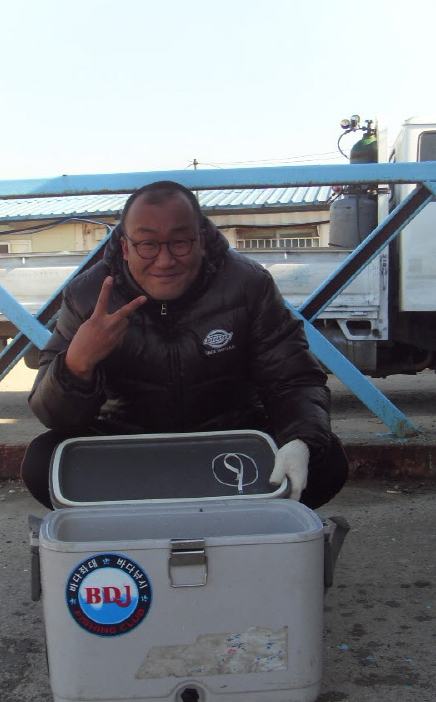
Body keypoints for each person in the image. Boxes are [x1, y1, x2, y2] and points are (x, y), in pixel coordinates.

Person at [21, 180, 348, 510]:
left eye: (179, 242)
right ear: (125, 247)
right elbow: (55, 417)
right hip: (126, 446)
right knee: (41, 463)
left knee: (325, 459)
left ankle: (234, 524)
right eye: (147, 244)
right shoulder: (87, 295)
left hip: (230, 442)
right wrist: (77, 364)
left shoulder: (249, 283)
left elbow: (292, 378)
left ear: (201, 241)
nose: (164, 261)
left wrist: (299, 441)